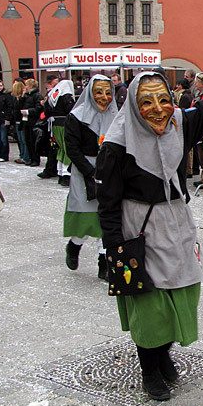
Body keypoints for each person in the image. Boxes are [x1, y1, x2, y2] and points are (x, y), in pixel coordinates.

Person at [95, 38, 203, 401]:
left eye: (164, 100)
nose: (158, 110)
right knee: (150, 303)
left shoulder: (180, 124)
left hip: (176, 224)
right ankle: (150, 369)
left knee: (182, 294)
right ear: (133, 106)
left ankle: (165, 352)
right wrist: (114, 250)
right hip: (136, 229)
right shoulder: (115, 146)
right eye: (147, 102)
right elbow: (107, 204)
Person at [64, 74, 118, 278]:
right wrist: (89, 171)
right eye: (99, 92)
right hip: (84, 169)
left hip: (109, 169)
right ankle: (75, 244)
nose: (104, 97)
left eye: (108, 92)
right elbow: (72, 148)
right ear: (90, 93)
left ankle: (104, 264)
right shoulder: (76, 116)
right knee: (87, 219)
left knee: (107, 219)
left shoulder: (115, 115)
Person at [41, 79, 75, 186]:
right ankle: (66, 174)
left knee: (60, 148)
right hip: (65, 125)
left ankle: (60, 171)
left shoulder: (52, 97)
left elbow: (46, 112)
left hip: (54, 125)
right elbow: (71, 111)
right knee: (67, 148)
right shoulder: (67, 97)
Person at [19, 78, 43, 166]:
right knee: (28, 141)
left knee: (33, 141)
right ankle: (31, 158)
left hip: (33, 121)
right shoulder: (27, 96)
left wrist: (28, 111)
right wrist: (22, 96)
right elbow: (20, 106)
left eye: (26, 85)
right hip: (26, 121)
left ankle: (35, 159)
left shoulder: (37, 95)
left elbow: (39, 108)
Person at [11, 80, 30, 164]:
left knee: (24, 140)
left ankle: (25, 157)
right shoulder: (15, 99)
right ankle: (22, 155)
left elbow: (19, 108)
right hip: (17, 120)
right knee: (20, 140)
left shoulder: (22, 99)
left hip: (22, 120)